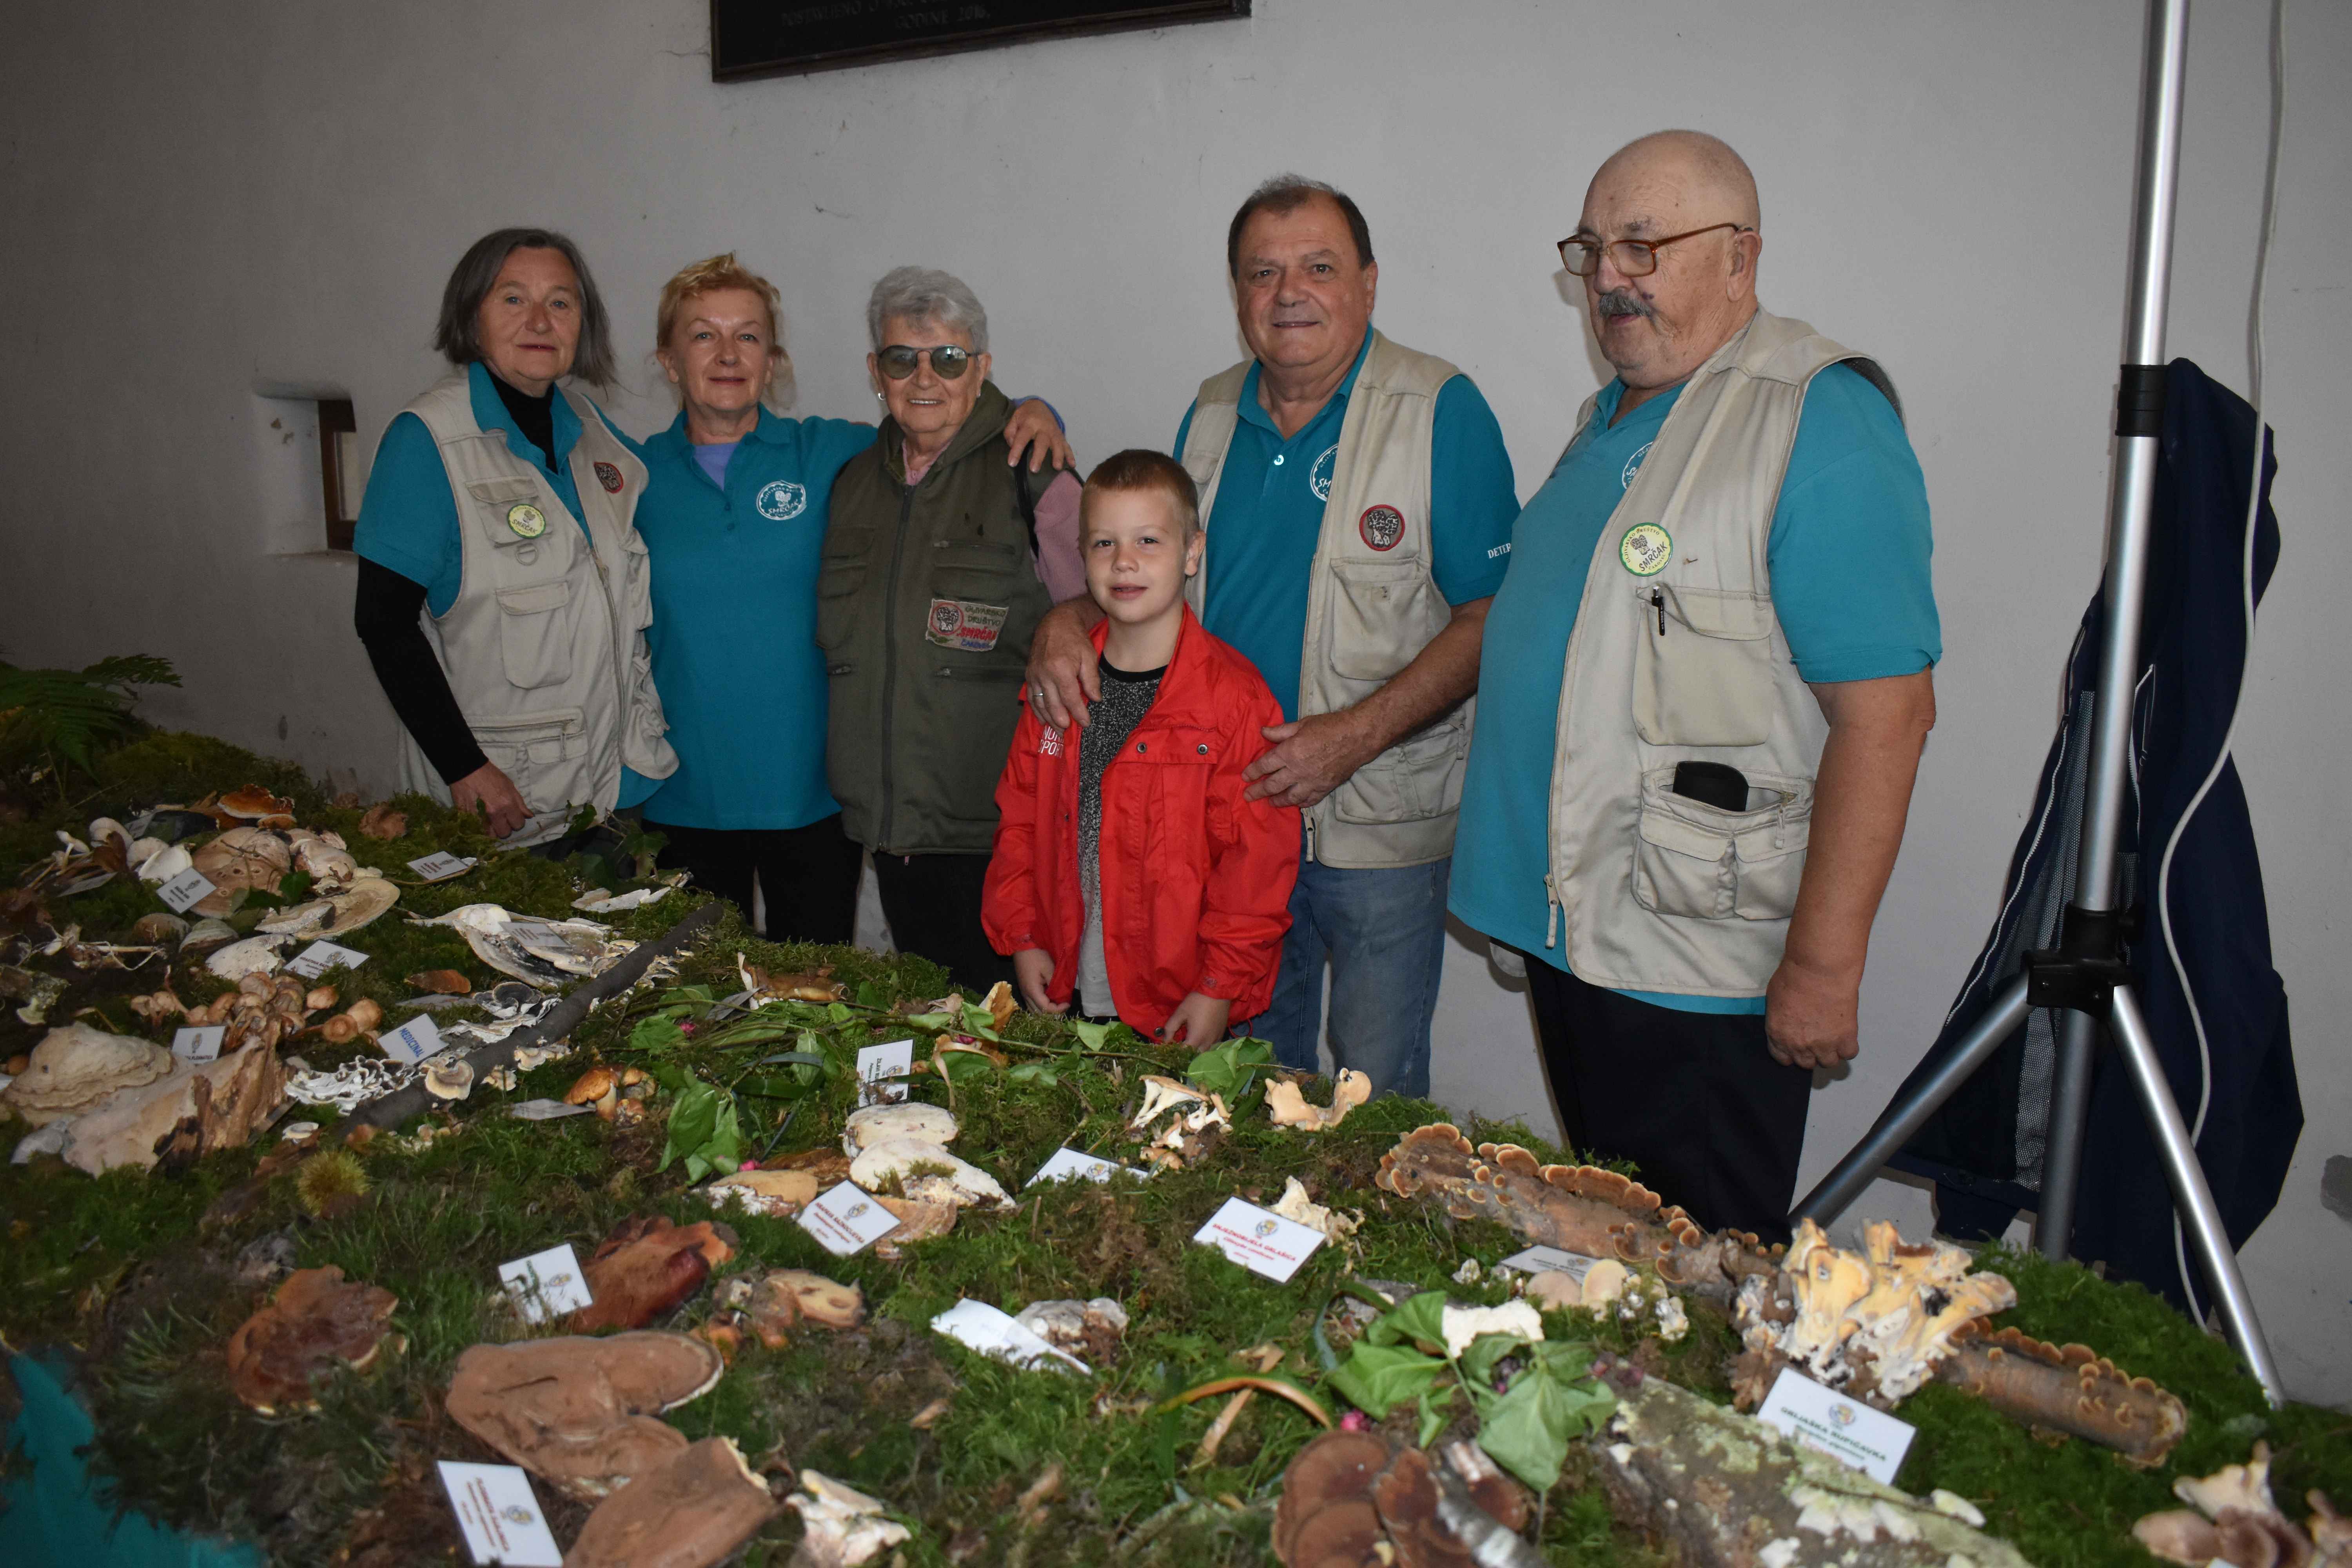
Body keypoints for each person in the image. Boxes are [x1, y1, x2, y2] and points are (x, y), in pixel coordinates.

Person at [1448, 131, 1942, 1241]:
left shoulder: (1816, 419)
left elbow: (1889, 716)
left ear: (1741, 259)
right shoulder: (1617, 414)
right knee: (1626, 1248)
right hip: (1588, 935)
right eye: (1593, 249)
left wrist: (1822, 965)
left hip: (1698, 969)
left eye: (1644, 245)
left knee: (1707, 1274)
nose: (1611, 277)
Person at [1025, 176, 1519, 1099]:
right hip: (1224, 818)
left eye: (1319, 267)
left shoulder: (1438, 408)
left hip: (1376, 822)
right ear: (1238, 293)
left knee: (1369, 1097)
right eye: (1264, 272)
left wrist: (1357, 733)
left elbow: (1495, 615)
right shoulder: (1210, 411)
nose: (1289, 291)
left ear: (1368, 285)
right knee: (1241, 1082)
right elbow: (1152, 571)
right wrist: (1065, 618)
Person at [629, 254, 1073, 942]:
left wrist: (1034, 410)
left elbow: (947, 429)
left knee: (813, 1004)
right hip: (677, 792)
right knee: (692, 1006)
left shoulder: (833, 453)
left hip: (815, 800)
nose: (727, 354)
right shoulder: (626, 477)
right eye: (703, 335)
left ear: (773, 360)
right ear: (667, 359)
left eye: (748, 336)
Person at [353, 227, 675, 848]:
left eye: (561, 302)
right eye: (512, 299)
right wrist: (465, 768)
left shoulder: (595, 432)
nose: (539, 320)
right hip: (505, 805)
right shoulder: (429, 442)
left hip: (616, 790)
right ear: (471, 315)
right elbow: (383, 623)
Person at [821, 267, 1083, 992]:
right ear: (877, 371)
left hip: (1004, 831)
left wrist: (1067, 616)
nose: (925, 376)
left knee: (1012, 1035)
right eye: (903, 358)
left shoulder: (1034, 470)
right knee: (929, 1023)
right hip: (891, 831)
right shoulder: (851, 484)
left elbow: (1115, 607)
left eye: (949, 358)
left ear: (982, 368)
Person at [983, 450, 1301, 1043]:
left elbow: (1255, 869)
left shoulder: (1234, 702)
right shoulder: (1058, 684)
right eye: (1104, 544)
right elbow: (1020, 820)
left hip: (1179, 996)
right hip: (1066, 979)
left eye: (1148, 541)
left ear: (1192, 552)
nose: (1124, 561)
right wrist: (1022, 936)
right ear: (1081, 555)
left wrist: (1217, 988)